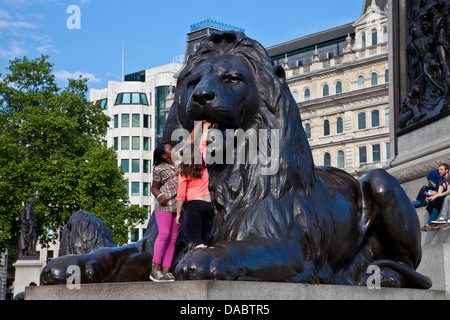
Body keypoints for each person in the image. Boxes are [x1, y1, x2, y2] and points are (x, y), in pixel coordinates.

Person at [176, 121, 213, 250]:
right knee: (205, 239)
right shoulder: (203, 165)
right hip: (207, 205)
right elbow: (203, 144)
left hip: (194, 206)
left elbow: (181, 195)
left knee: (198, 243)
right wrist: (206, 127)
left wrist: (178, 213)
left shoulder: (183, 173)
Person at [150, 143, 181, 282]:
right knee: (164, 235)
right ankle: (155, 270)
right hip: (165, 204)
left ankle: (166, 271)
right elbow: (154, 187)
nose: (173, 149)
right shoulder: (159, 169)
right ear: (164, 155)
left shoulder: (181, 164)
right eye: (170, 149)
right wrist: (158, 195)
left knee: (173, 239)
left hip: (179, 206)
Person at [422, 163, 450, 231]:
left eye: (441, 169)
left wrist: (437, 196)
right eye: (439, 170)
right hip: (445, 194)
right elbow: (440, 192)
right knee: (432, 200)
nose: (439, 171)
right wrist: (432, 197)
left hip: (448, 194)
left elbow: (449, 191)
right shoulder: (441, 181)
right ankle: (432, 223)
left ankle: (444, 218)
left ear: (447, 170)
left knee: (446, 198)